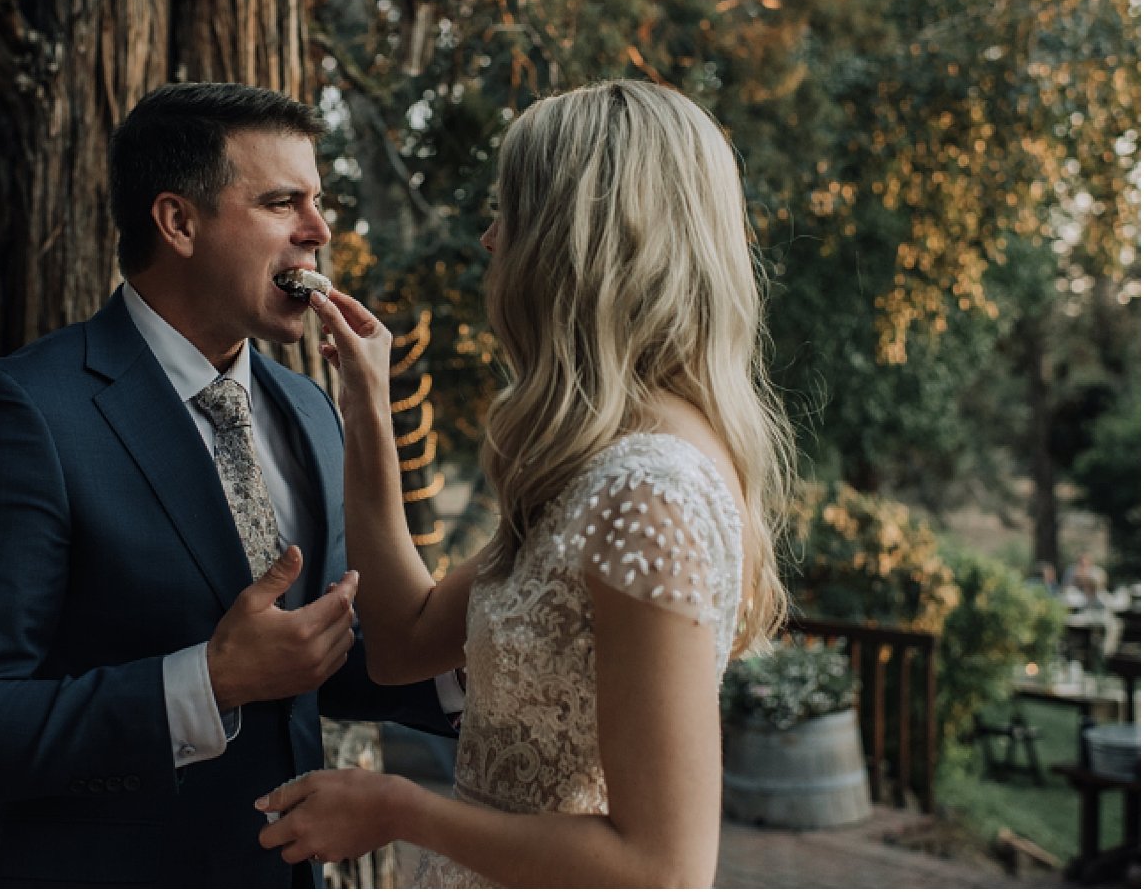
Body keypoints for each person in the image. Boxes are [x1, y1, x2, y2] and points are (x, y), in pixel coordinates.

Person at [0, 82, 459, 887]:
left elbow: (325, 653)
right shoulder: (16, 414)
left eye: (317, 201)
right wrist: (209, 681)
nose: (319, 231)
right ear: (178, 222)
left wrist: (497, 660)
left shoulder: (310, 409)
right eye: (281, 202)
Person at [258, 80, 795, 887]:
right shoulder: (596, 463)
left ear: (572, 240)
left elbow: (663, 870)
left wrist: (398, 808)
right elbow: (405, 640)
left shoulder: (644, 492)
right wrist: (368, 405)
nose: (488, 238)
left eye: (510, 210)